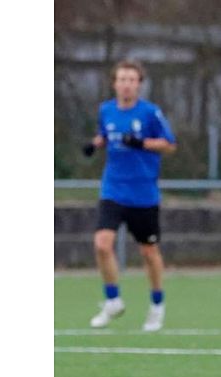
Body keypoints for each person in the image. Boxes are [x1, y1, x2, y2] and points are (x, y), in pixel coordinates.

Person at [82, 60, 177, 332]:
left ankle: (157, 305)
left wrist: (141, 143)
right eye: (121, 79)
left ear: (139, 84)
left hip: (144, 193)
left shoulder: (150, 113)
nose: (126, 84)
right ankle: (112, 299)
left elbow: (170, 145)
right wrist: (94, 144)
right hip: (113, 189)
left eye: (131, 79)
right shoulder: (106, 110)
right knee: (102, 244)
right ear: (114, 83)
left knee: (149, 252)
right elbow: (105, 134)